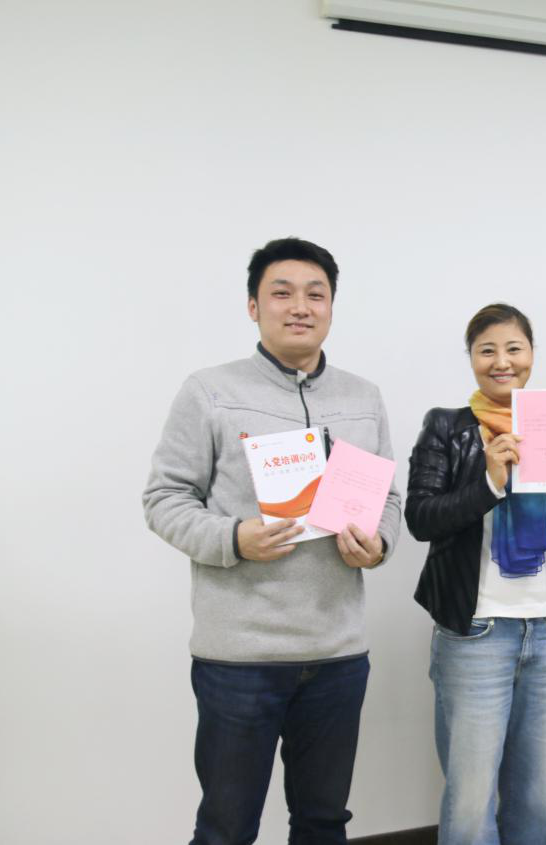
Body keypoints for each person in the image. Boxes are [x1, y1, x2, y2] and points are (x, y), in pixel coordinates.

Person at [142, 237, 402, 845]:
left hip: (338, 654)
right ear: (253, 307)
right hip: (240, 659)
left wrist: (379, 544)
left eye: (316, 294)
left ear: (332, 306)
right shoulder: (209, 391)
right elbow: (164, 499)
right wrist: (235, 538)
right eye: (282, 293)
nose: (300, 307)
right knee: (227, 827)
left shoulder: (363, 397)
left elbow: (388, 498)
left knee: (323, 823)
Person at [406, 303, 546, 845]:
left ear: (532, 355)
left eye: (514, 348)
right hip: (476, 632)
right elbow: (420, 518)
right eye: (487, 350)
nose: (502, 361)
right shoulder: (447, 427)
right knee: (472, 800)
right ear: (471, 358)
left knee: (535, 794)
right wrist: (490, 483)